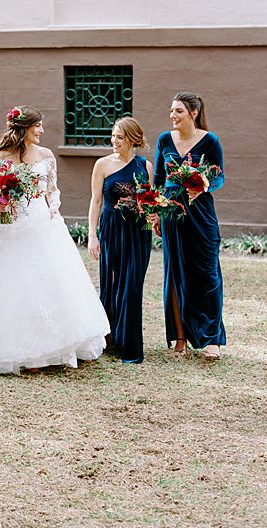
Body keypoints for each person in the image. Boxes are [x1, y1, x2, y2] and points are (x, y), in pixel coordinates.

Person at [0, 106, 110, 374]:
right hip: (9, 225)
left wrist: (53, 210)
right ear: (24, 127)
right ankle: (18, 351)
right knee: (10, 283)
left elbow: (52, 190)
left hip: (42, 223)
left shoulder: (47, 155)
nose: (41, 131)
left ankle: (55, 347)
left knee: (49, 282)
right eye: (37, 126)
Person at [152, 92, 226, 360]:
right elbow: (159, 179)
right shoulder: (164, 140)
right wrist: (157, 212)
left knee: (207, 274)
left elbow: (219, 177)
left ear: (193, 113)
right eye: (171, 111)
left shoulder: (210, 141)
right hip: (172, 212)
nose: (173, 116)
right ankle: (180, 337)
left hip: (200, 213)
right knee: (174, 274)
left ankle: (213, 339)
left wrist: (204, 185)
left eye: (179, 111)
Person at [87, 117, 152, 363]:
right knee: (111, 285)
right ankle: (109, 337)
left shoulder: (145, 166)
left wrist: (151, 224)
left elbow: (148, 203)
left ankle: (130, 346)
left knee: (132, 286)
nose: (114, 141)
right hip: (112, 229)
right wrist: (93, 235)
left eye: (120, 137)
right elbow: (96, 202)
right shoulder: (102, 165)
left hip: (138, 233)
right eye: (113, 136)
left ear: (133, 139)